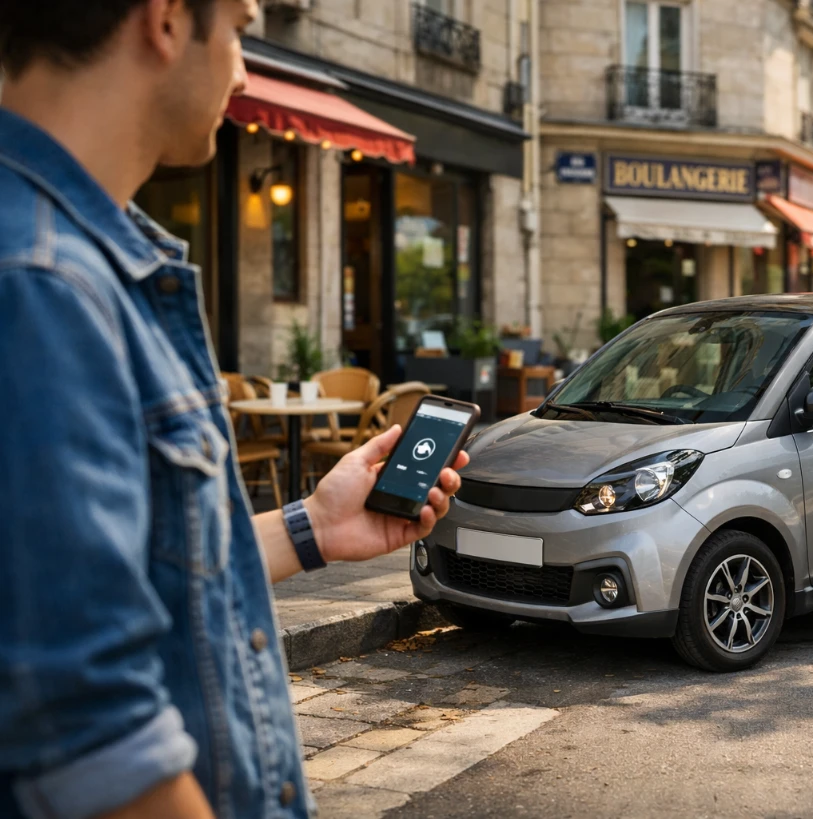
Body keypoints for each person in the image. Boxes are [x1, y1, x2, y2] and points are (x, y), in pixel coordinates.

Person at [0, 2, 467, 816]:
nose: (246, 71)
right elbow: (93, 741)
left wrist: (313, 526)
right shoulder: (42, 286)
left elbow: (150, 563)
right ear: (169, 20)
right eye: (244, 29)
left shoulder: (84, 263)